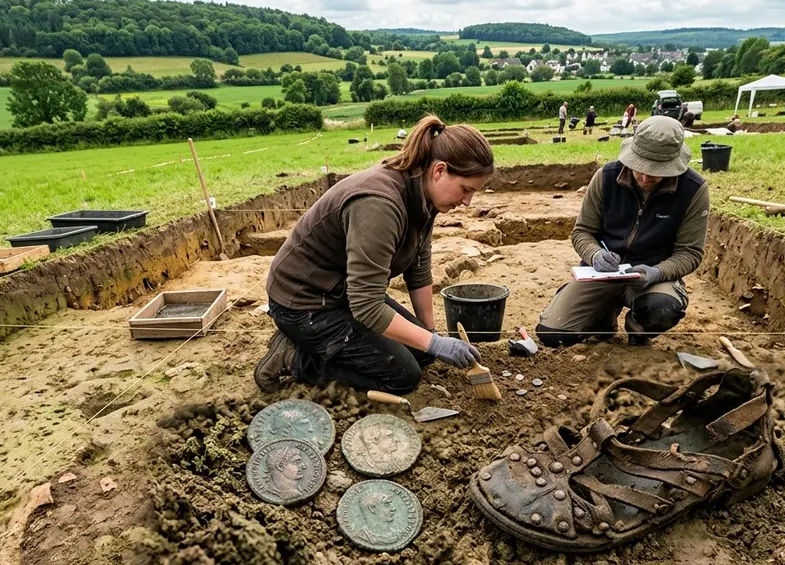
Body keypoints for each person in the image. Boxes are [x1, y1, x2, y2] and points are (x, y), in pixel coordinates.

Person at [255, 115, 493, 394]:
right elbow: (367, 307)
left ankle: (320, 345)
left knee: (424, 351)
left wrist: (432, 338)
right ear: (439, 170)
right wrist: (437, 344)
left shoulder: (423, 195)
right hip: (305, 304)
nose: (467, 202)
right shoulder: (379, 205)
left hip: (344, 293)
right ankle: (294, 358)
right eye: (466, 190)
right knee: (402, 376)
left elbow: (418, 269)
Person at [535, 116, 710, 347]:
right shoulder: (606, 178)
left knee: (661, 309)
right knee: (552, 334)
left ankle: (639, 331)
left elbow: (690, 253)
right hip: (601, 273)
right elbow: (582, 232)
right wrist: (595, 255)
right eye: (640, 168)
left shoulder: (693, 190)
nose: (645, 178)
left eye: (656, 171)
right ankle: (603, 319)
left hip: (652, 280)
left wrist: (657, 272)